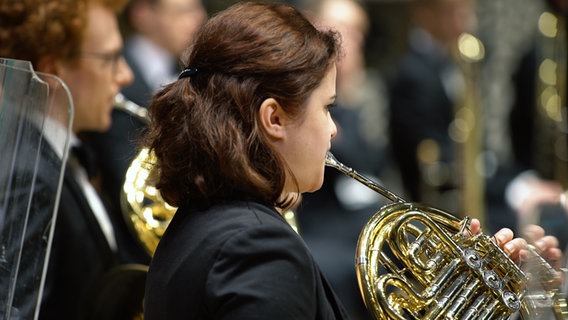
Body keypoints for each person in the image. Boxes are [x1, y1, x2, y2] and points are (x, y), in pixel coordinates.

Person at [142, 2, 563, 319]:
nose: (333, 130)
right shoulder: (257, 248)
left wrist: (485, 294)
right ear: (273, 118)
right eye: (327, 108)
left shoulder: (205, 221)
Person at [0, 0, 142, 318]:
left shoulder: (56, 154)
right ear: (52, 70)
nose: (126, 75)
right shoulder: (30, 177)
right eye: (111, 59)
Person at [81, 0, 207, 263]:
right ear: (143, 15)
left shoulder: (194, 72)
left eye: (198, 9)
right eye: (184, 12)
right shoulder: (115, 82)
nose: (199, 19)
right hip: (139, 249)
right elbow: (123, 173)